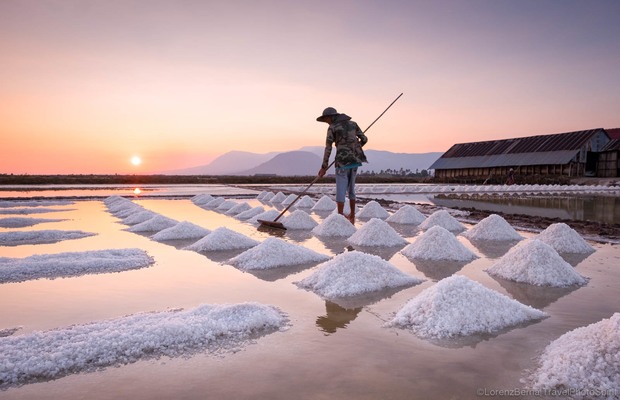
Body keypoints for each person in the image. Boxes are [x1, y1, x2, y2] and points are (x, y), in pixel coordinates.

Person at [316, 107, 368, 224]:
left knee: (341, 189)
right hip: (355, 161)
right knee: (351, 189)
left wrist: (324, 167)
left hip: (341, 162)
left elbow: (328, 148)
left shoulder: (332, 127)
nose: (326, 122)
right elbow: (364, 139)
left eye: (326, 119)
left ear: (331, 117)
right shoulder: (353, 124)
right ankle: (352, 215)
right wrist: (354, 147)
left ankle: (340, 217)